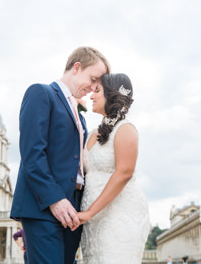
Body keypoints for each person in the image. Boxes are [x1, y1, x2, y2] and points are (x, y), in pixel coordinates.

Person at [10, 46, 110, 264]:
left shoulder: (80, 116)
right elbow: (32, 154)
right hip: (43, 206)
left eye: (97, 85)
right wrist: (54, 199)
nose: (93, 89)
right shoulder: (41, 93)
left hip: (73, 208)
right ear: (77, 68)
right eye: (93, 79)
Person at [75, 73, 150, 263]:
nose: (91, 96)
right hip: (92, 220)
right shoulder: (92, 133)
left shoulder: (125, 128)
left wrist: (90, 212)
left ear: (112, 94)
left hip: (119, 215)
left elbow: (124, 173)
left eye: (97, 91)